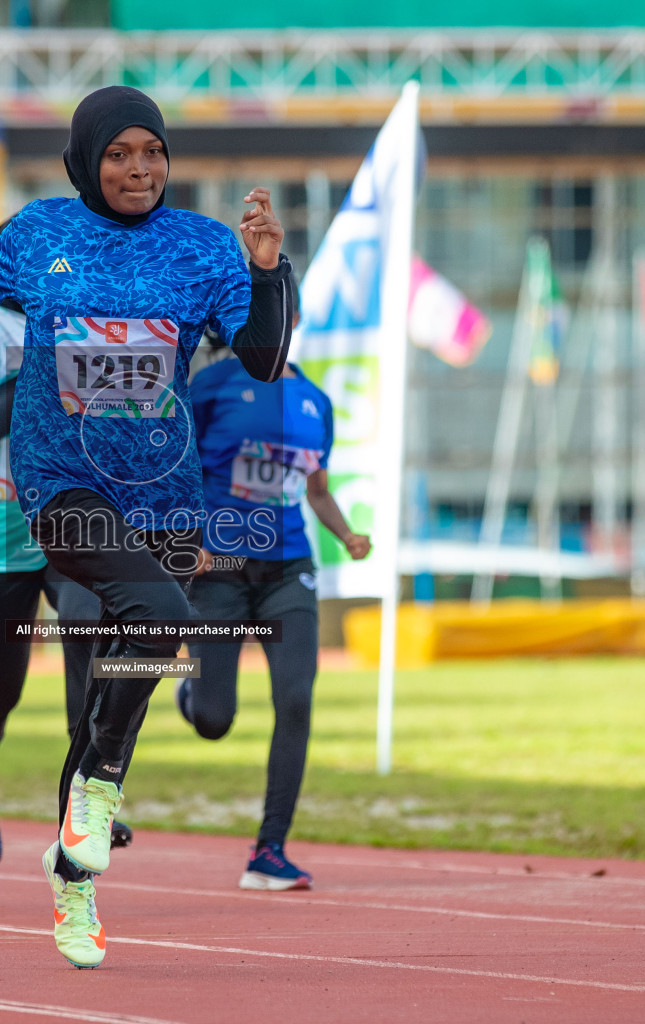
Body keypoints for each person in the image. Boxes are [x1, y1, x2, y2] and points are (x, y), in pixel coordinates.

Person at [0, 84, 293, 969]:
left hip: (167, 495)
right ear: (86, 160)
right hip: (62, 484)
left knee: (126, 672)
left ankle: (73, 877)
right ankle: (100, 790)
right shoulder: (40, 233)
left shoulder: (203, 246)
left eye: (150, 152)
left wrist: (269, 271)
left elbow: (264, 357)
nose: (138, 169)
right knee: (164, 625)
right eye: (118, 155)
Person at [0, 274, 131, 866]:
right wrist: (45, 371)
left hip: (72, 524)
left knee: (88, 639)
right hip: (1, 538)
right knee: (2, 687)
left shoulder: (92, 331)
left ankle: (86, 803)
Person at [182, 328, 371, 891]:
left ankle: (270, 849)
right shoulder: (211, 385)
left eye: (281, 318)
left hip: (289, 569)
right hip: (218, 569)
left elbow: (316, 489)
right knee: (215, 720)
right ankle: (191, 694)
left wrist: (347, 533)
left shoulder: (316, 402)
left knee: (295, 698)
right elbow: (176, 468)